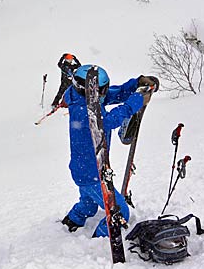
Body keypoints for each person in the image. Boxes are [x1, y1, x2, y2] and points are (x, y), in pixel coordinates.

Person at [59, 64, 158, 237]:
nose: (104, 94)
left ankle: (72, 222)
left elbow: (114, 94)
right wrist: (136, 101)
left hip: (83, 169)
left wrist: (136, 84)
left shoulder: (78, 96)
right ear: (91, 92)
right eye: (101, 91)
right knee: (119, 211)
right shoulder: (85, 113)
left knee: (88, 203)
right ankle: (100, 240)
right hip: (92, 172)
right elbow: (110, 120)